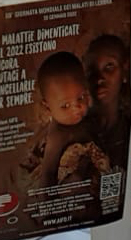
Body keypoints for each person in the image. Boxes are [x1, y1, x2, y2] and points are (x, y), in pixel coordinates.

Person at [19, 51, 107, 189]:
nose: (77, 108)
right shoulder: (57, 136)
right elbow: (48, 174)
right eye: (65, 106)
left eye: (81, 98)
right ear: (48, 107)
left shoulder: (88, 114)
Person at [84, 34, 131, 171]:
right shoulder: (74, 131)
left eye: (109, 66)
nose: (99, 78)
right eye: (91, 70)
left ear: (124, 70)